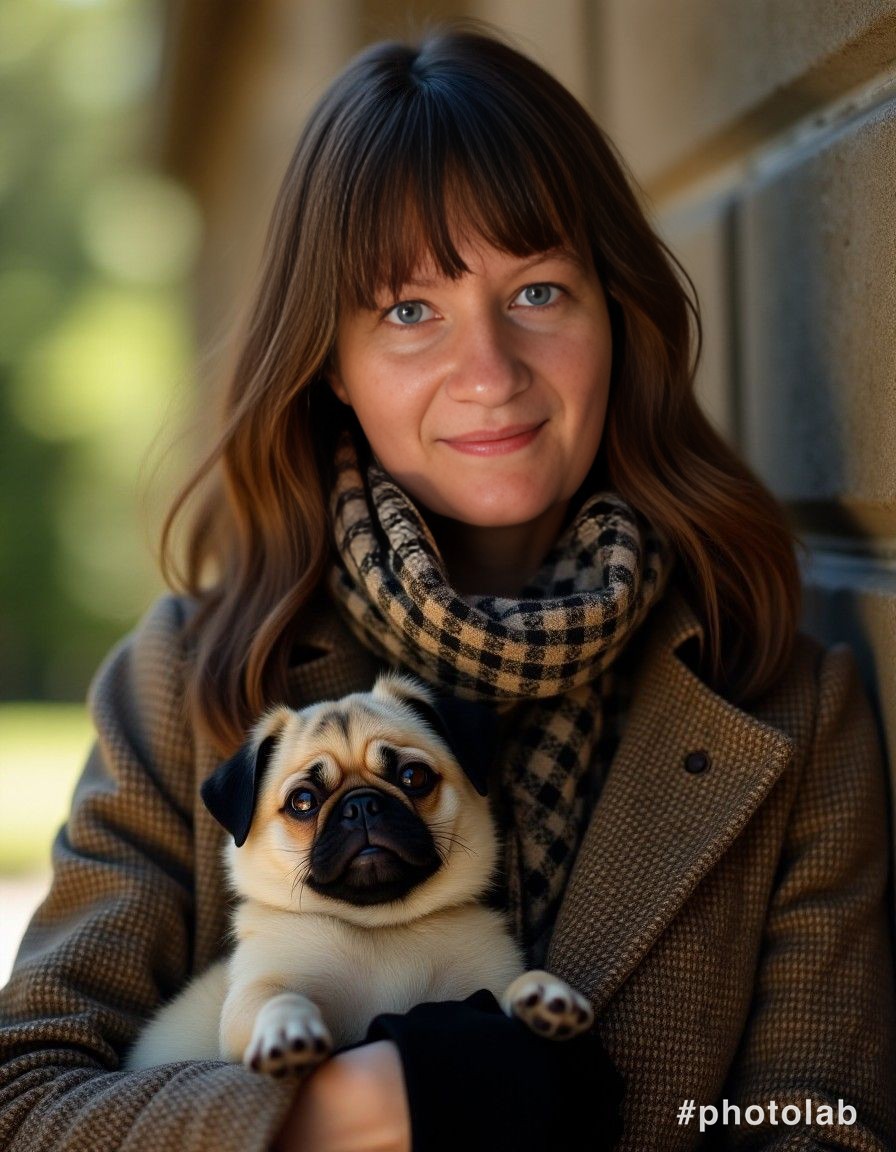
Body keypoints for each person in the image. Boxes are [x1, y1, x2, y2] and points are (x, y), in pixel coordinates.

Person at [1, 23, 894, 1152]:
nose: (488, 373)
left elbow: (818, 1122)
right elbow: (26, 1104)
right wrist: (374, 1104)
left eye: (539, 292)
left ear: (615, 313)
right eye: (409, 311)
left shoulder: (790, 709)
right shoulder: (187, 682)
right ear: (330, 360)